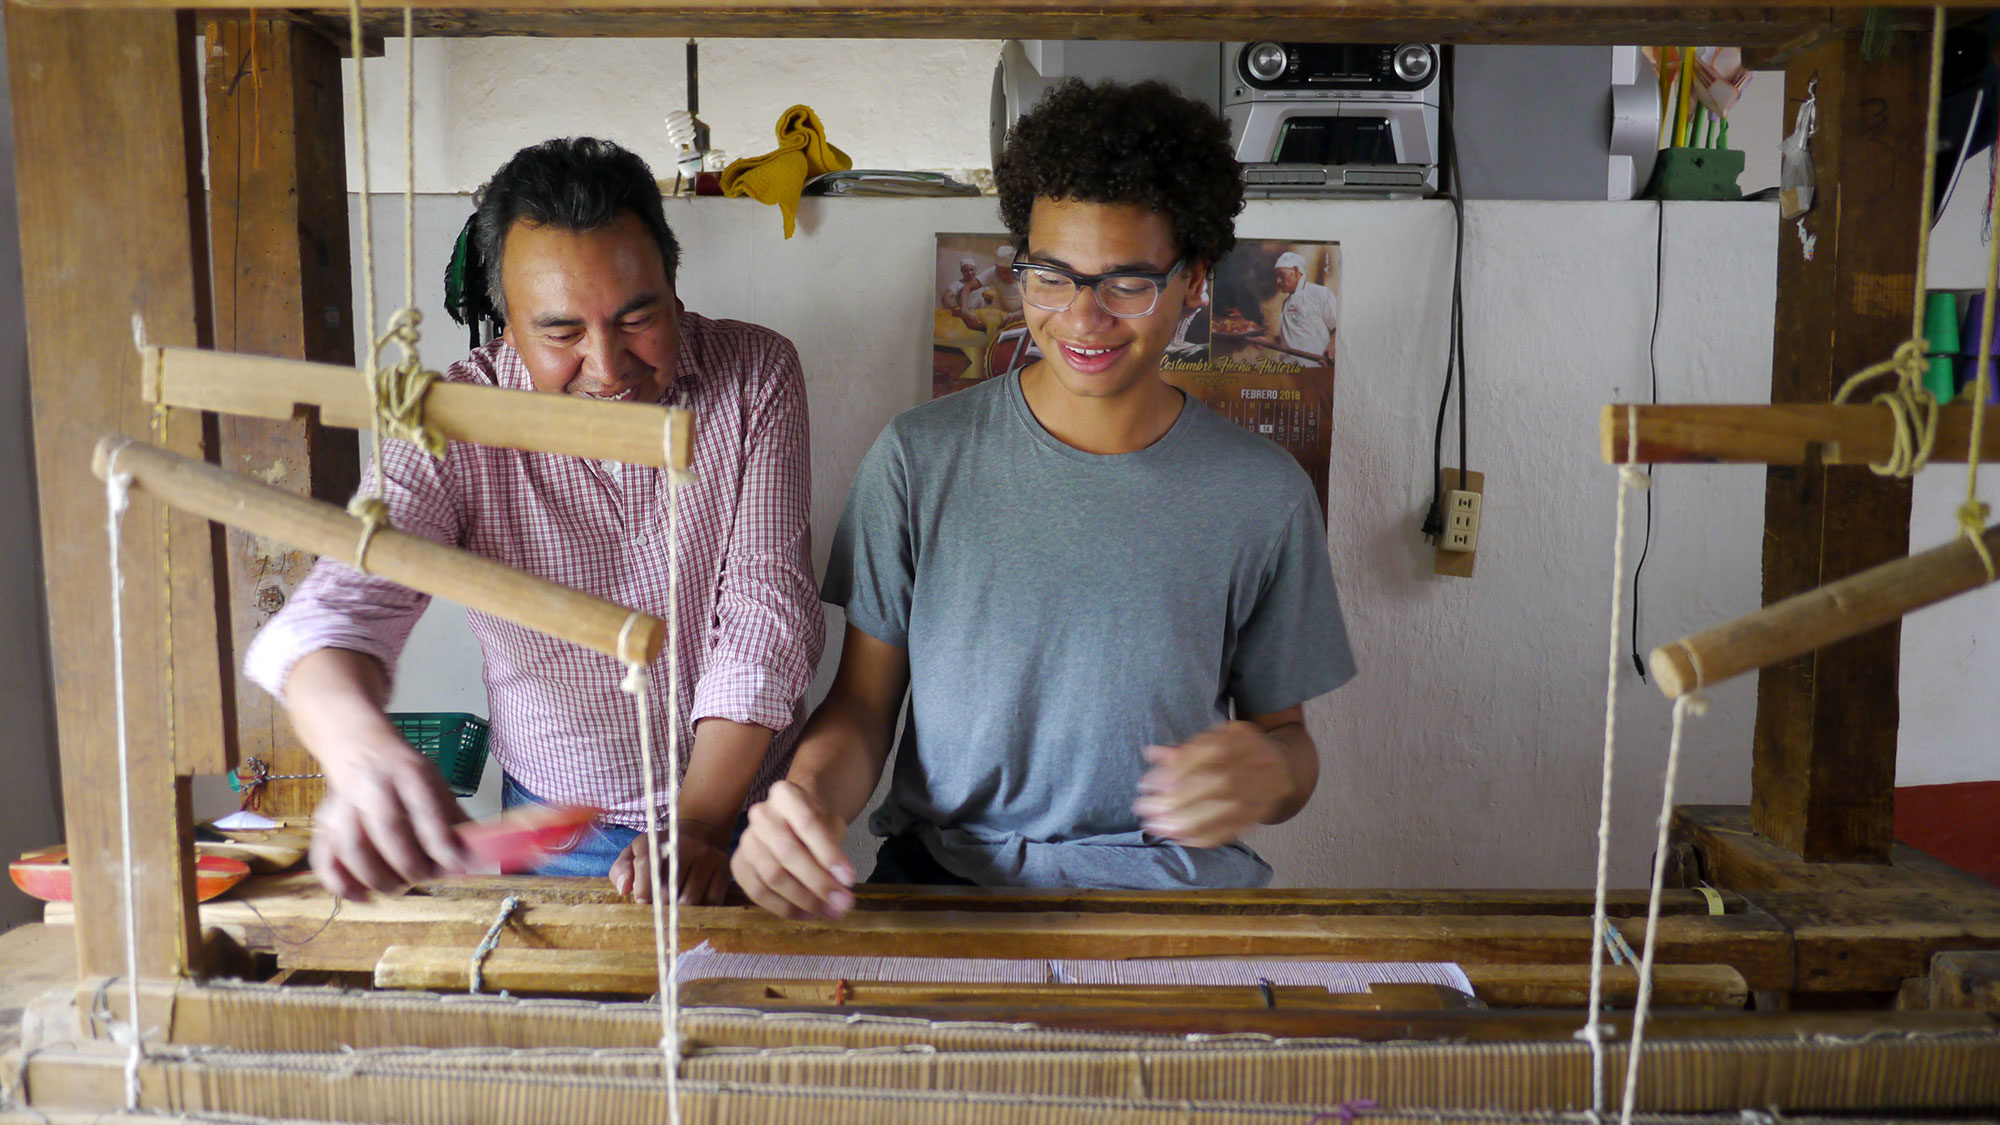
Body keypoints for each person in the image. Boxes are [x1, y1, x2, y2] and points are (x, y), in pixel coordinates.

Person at [732, 80, 1355, 921]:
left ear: (1195, 282)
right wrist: (805, 797)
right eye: (1051, 276)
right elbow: (860, 712)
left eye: (1127, 283)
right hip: (944, 888)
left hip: (1173, 905)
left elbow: (1290, 746)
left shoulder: (1263, 492)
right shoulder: (919, 460)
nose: (1083, 317)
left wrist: (1268, 771)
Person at [245, 137, 824, 906]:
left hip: (739, 815)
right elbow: (336, 610)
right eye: (561, 332)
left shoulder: (755, 374)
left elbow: (764, 617)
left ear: (673, 285)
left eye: (638, 316)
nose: (609, 366)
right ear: (507, 328)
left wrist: (701, 824)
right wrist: (360, 756)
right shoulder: (451, 419)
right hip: (559, 832)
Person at [1263, 251, 1338, 367]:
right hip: (1288, 369)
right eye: (1276, 276)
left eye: (1282, 275)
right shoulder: (1286, 302)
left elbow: (1339, 327)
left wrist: (1331, 347)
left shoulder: (1319, 293)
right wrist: (1268, 341)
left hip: (1314, 369)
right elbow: (1290, 340)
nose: (1278, 281)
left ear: (1297, 271)